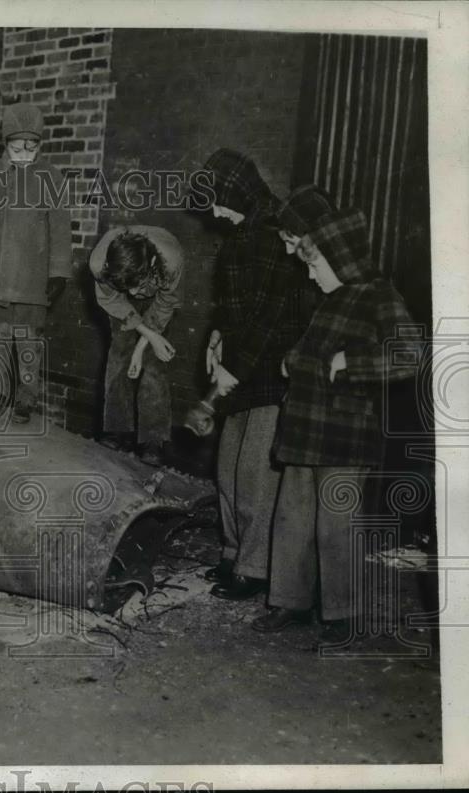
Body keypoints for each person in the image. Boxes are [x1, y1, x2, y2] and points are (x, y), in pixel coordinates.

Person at [252, 206, 418, 641]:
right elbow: (311, 350)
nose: (309, 275)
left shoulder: (379, 295)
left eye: (314, 264)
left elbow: (408, 355)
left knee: (337, 526)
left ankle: (344, 613)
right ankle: (290, 601)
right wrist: (292, 362)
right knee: (293, 519)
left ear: (340, 258)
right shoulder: (330, 298)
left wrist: (352, 362)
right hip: (305, 430)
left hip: (345, 435)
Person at [199, 148, 319, 600]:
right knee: (228, 463)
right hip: (240, 362)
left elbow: (271, 314)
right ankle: (234, 553)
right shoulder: (241, 230)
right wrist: (216, 334)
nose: (213, 212)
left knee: (255, 469)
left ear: (236, 190)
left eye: (217, 200)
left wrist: (236, 364)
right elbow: (234, 303)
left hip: (269, 366)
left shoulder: (272, 231)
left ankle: (256, 566)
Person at [0, 103, 72, 424]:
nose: (24, 154)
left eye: (31, 147)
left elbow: (61, 230)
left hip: (32, 278)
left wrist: (59, 273)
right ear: (5, 143)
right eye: (16, 147)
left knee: (27, 340)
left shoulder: (52, 178)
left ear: (40, 145)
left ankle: (26, 397)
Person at [89, 225, 183, 465]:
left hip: (157, 297)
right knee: (120, 354)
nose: (133, 292)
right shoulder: (100, 264)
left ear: (151, 263)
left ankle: (153, 440)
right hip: (119, 301)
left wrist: (142, 348)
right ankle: (115, 430)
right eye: (127, 286)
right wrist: (141, 334)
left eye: (136, 285)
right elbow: (111, 300)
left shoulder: (171, 261)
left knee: (154, 362)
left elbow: (164, 306)